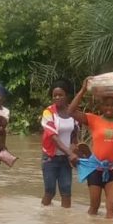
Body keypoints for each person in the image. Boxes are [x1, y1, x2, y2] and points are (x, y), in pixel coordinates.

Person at [68, 77, 113, 219]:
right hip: (95, 169)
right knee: (94, 208)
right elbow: (71, 111)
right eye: (106, 105)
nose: (109, 108)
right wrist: (83, 90)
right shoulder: (93, 119)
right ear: (101, 107)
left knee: (112, 209)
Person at [41, 79, 79, 208]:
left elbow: (74, 136)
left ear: (67, 96)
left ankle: (65, 222)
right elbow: (53, 137)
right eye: (54, 95)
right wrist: (70, 153)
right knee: (50, 191)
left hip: (65, 159)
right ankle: (44, 217)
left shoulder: (73, 113)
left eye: (60, 95)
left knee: (66, 192)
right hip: (50, 158)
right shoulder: (48, 112)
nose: (57, 97)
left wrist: (74, 151)